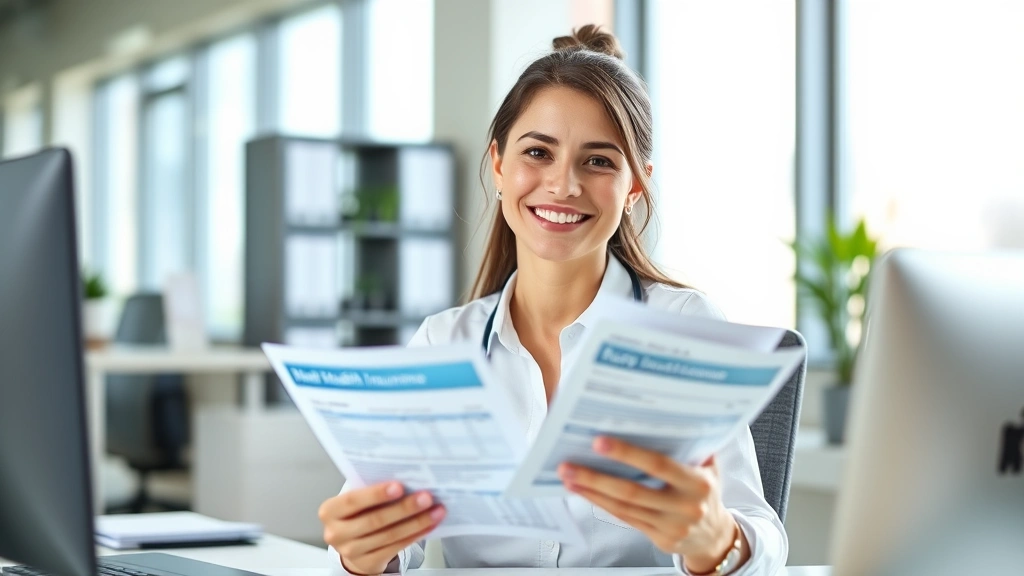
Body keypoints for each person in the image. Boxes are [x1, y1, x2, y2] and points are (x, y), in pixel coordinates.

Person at [319, 25, 787, 576]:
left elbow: (765, 542)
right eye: (538, 152)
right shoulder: (445, 344)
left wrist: (718, 541)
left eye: (598, 161)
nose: (563, 185)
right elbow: (376, 546)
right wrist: (360, 552)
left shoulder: (682, 328)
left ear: (636, 185)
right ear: (498, 165)